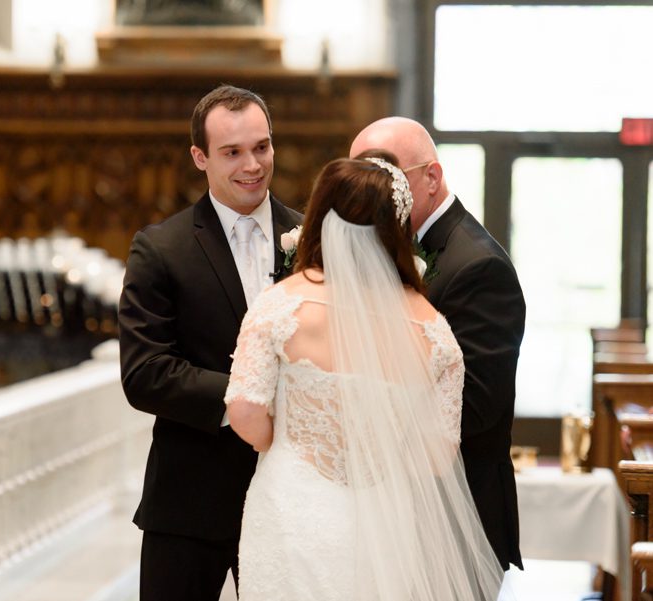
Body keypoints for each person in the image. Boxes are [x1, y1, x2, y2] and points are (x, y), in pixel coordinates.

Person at [225, 155, 507, 600]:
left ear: (318, 215)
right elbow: (437, 455)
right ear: (396, 229)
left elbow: (243, 411)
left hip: (293, 505)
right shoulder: (433, 329)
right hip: (386, 519)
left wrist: (281, 444)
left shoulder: (281, 305)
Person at [119, 84, 302, 600]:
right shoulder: (160, 248)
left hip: (289, 499)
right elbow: (145, 373)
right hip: (188, 504)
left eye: (262, 147)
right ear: (199, 157)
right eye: (232, 152)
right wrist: (249, 399)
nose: (252, 165)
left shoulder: (312, 241)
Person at [349, 117, 526, 571]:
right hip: (398, 515)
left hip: (457, 519)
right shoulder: (386, 246)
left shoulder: (478, 267)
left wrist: (366, 427)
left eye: (387, 177)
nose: (372, 193)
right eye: (362, 177)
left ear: (432, 176)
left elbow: (478, 404)